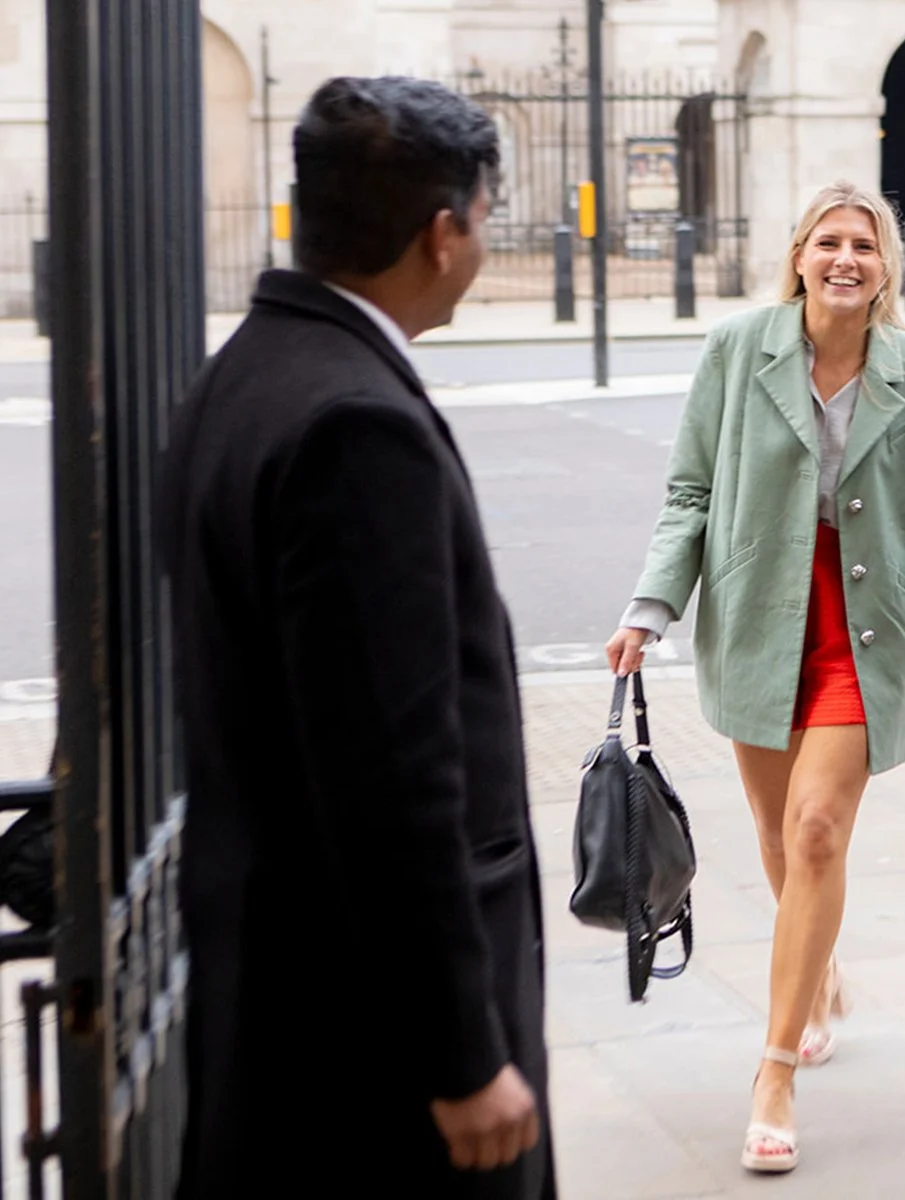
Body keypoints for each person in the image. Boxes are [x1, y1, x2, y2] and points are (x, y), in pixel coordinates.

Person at [158, 77, 553, 1199]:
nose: (483, 240)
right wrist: (464, 1053)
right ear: (442, 233)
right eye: (485, 214)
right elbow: (393, 776)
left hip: (275, 984)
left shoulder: (245, 374)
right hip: (364, 1045)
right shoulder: (356, 427)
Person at [605, 180, 905, 1175]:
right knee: (784, 843)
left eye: (864, 245)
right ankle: (817, 982)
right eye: (829, 242)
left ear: (886, 269)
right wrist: (650, 609)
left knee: (819, 827)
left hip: (866, 628)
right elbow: (691, 488)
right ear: (800, 256)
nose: (846, 259)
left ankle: (773, 1070)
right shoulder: (739, 352)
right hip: (759, 614)